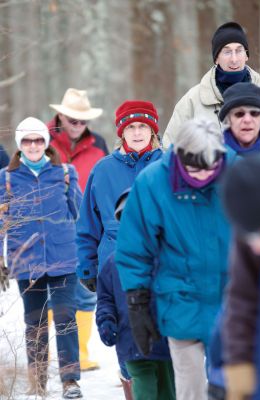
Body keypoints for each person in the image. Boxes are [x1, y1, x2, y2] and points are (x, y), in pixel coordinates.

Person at [115, 118, 231, 400]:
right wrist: (137, 301)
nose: (202, 176)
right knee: (191, 389)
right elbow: (134, 248)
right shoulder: (153, 182)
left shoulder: (239, 173)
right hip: (179, 298)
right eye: (194, 168)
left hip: (232, 301)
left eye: (210, 169)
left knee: (234, 388)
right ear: (180, 156)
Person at [76, 100, 162, 387]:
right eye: (131, 127)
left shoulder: (168, 164)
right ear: (121, 133)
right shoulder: (103, 170)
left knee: (164, 344)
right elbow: (88, 223)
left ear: (153, 131)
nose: (137, 133)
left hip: (163, 265)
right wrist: (87, 266)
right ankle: (132, 386)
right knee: (127, 343)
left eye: (144, 127)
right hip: (117, 266)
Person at [0, 117, 83, 399]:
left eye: (38, 140)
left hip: (63, 258)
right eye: (27, 141)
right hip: (27, 262)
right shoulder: (7, 178)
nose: (33, 145)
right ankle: (38, 383)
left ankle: (70, 380)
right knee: (34, 323)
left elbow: (79, 214)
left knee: (65, 319)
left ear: (46, 144)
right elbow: (1, 222)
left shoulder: (66, 173)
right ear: (19, 146)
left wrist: (85, 250)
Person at [48, 87, 109, 371]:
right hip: (50, 228)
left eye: (83, 120)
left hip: (88, 226)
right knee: (55, 290)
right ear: (61, 115)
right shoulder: (40, 140)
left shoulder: (99, 144)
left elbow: (107, 183)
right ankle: (54, 351)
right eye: (73, 119)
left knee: (86, 290)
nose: (78, 125)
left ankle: (81, 353)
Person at [96, 189, 175, 400]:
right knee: (144, 388)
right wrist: (106, 321)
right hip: (131, 340)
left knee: (168, 390)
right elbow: (105, 299)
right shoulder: (113, 262)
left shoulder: (169, 257)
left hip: (166, 340)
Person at [163, 21, 260, 148]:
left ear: (246, 55)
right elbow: (169, 150)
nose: (234, 59)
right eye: (227, 52)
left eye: (239, 51)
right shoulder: (193, 100)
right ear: (216, 58)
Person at [220, 155, 260, 400]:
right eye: (249, 237)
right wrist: (237, 365)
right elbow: (240, 301)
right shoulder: (249, 231)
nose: (257, 247)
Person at [219, 82, 260, 156]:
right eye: (239, 114)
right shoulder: (213, 156)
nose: (247, 120)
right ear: (228, 119)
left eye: (254, 113)